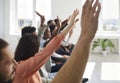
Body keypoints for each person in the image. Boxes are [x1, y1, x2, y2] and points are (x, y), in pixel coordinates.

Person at [0, 0, 101, 83]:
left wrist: (69, 26)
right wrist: (84, 36)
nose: (15, 64)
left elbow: (45, 42)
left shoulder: (18, 69)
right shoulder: (21, 70)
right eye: (8, 63)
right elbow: (48, 48)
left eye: (13, 59)